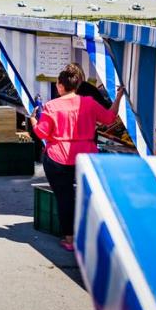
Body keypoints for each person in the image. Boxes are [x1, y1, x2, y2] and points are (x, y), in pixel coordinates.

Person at [30, 63, 124, 251]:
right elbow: (109, 118)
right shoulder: (89, 102)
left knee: (64, 198)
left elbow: (41, 133)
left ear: (61, 86)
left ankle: (70, 239)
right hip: (87, 156)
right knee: (89, 196)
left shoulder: (51, 106)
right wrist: (119, 96)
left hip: (58, 158)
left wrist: (33, 121)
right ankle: (94, 235)